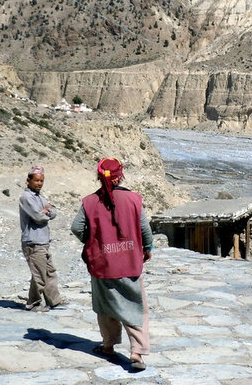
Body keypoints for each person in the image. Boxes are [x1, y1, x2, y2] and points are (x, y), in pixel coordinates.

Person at [71, 157, 153, 372]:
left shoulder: (89, 202)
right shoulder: (133, 199)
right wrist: (147, 249)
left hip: (102, 264)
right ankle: (137, 352)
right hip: (129, 262)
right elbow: (145, 229)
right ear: (120, 175)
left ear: (99, 176)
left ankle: (108, 346)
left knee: (105, 306)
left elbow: (76, 227)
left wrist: (92, 243)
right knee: (136, 306)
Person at [19, 165, 67, 312]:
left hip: (43, 240)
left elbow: (53, 213)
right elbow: (39, 217)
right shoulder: (26, 198)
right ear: (28, 180)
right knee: (39, 274)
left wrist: (47, 211)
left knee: (49, 272)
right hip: (33, 241)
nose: (39, 183)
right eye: (37, 181)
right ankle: (33, 303)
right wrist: (46, 211)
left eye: (41, 181)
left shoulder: (40, 197)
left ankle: (54, 300)